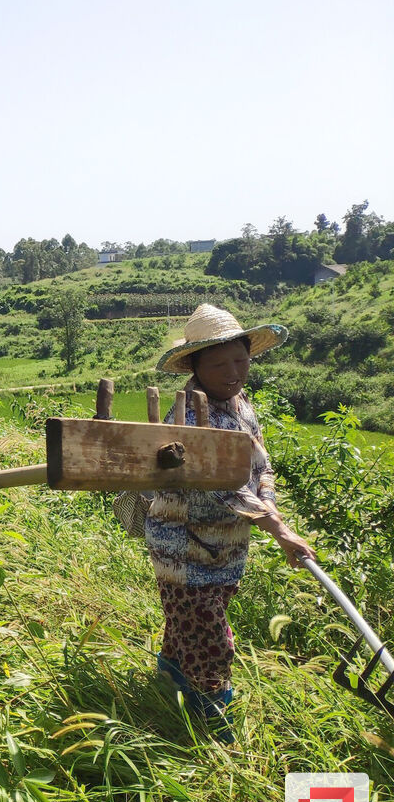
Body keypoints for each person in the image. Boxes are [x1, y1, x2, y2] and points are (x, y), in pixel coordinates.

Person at [147, 304, 315, 738]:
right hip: (182, 546)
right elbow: (221, 484)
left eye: (240, 359)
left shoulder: (241, 405)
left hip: (226, 545)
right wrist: (278, 530)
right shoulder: (189, 416)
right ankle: (213, 722)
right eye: (219, 363)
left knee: (191, 621)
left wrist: (272, 508)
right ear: (197, 367)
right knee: (211, 639)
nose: (232, 371)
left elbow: (260, 468)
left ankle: (169, 677)